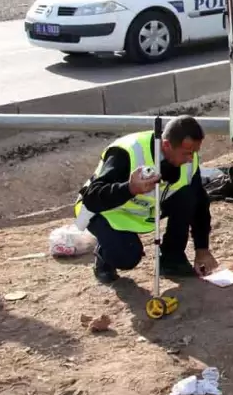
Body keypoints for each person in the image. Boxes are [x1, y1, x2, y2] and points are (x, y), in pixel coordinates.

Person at [74, 116, 219, 284]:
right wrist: (130, 188)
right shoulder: (128, 151)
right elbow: (92, 197)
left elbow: (200, 202)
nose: (191, 159)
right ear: (166, 145)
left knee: (188, 195)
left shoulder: (187, 160)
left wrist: (202, 248)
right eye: (187, 153)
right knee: (127, 257)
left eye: (194, 152)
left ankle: (172, 259)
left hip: (143, 209)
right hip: (105, 211)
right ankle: (103, 256)